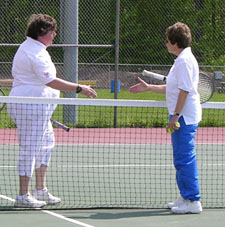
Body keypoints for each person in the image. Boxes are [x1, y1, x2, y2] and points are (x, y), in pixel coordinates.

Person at [7, 14, 97, 208]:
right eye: (52, 31)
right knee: (29, 149)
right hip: (30, 108)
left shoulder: (33, 48)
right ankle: (23, 195)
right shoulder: (35, 52)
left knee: (47, 144)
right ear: (42, 33)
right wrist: (79, 88)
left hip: (39, 109)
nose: (55, 34)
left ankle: (40, 189)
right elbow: (50, 81)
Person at [129, 22, 202, 214]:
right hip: (181, 115)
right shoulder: (181, 59)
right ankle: (185, 196)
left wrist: (175, 117)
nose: (166, 43)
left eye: (168, 41)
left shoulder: (185, 61)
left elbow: (185, 90)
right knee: (180, 159)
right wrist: (148, 88)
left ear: (175, 42)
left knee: (185, 159)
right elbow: (173, 87)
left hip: (184, 116)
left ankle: (193, 200)